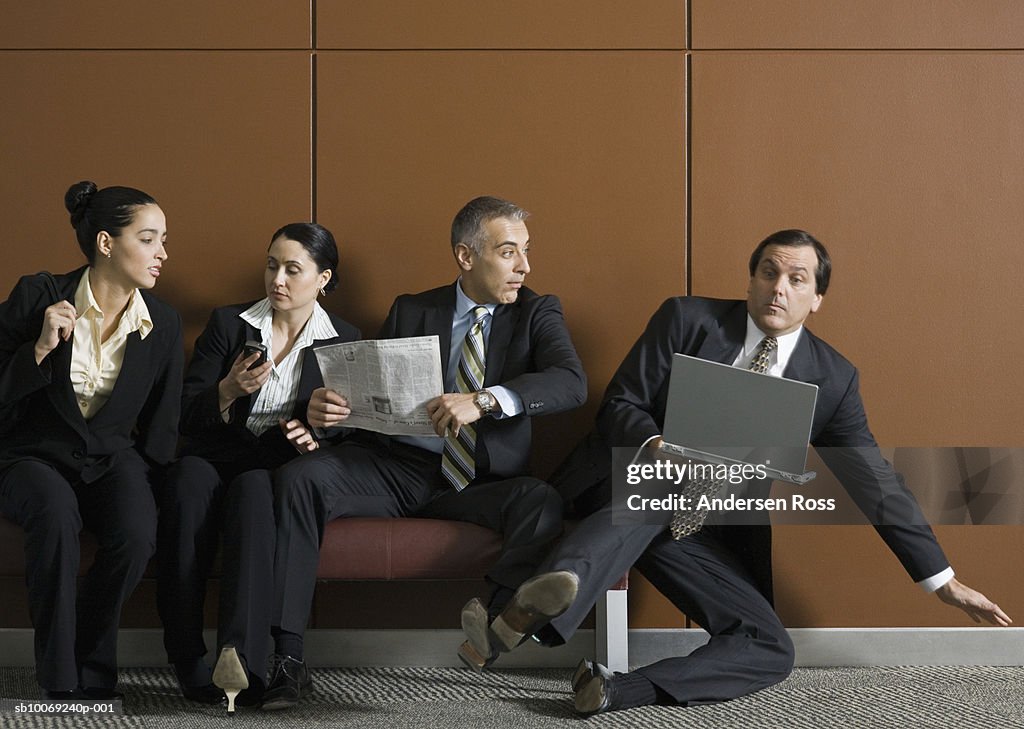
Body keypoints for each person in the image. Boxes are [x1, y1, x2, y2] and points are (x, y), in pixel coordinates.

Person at [461, 229, 1012, 715]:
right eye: (769, 272)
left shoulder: (833, 379)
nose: (779, 288)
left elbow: (875, 483)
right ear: (750, 280)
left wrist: (943, 581)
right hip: (625, 492)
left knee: (772, 648)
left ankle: (612, 690)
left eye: (798, 279)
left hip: (702, 531)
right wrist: (657, 446)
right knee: (658, 484)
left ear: (817, 298)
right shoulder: (686, 318)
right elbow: (620, 404)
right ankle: (548, 597)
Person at [263, 196, 587, 710]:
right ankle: (286, 659)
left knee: (540, 499)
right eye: (509, 252)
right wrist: (328, 412)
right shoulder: (413, 308)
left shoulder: (536, 311)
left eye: (525, 251)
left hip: (478, 484)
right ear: (466, 256)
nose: (525, 266)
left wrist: (483, 400)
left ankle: (496, 623)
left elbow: (570, 383)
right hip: (396, 468)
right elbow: (371, 403)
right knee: (300, 477)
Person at [156, 223, 360, 711]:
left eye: (293, 269)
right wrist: (227, 390)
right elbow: (183, 412)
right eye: (272, 265)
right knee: (186, 483)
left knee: (251, 494)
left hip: (269, 467)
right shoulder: (230, 323)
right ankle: (185, 657)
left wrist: (316, 434)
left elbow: (351, 426)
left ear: (323, 278)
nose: (278, 279)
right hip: (211, 454)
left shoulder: (343, 340)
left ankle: (242, 664)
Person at [0, 181, 182, 699]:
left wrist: (154, 490)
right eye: (149, 239)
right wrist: (37, 348)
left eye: (163, 240)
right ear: (107, 244)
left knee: (137, 531)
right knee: (55, 514)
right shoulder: (38, 295)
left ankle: (93, 664)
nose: (162, 253)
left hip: (109, 456)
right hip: (29, 455)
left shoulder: (162, 322)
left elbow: (162, 423)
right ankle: (60, 680)